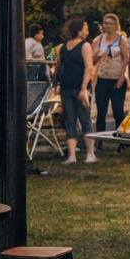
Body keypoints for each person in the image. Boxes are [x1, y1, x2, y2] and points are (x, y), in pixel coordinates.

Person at [54, 17, 96, 163]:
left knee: (76, 120)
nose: (87, 30)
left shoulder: (64, 47)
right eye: (85, 28)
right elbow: (88, 66)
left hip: (70, 87)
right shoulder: (85, 46)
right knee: (79, 120)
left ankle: (80, 155)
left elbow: (59, 66)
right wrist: (84, 88)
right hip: (76, 88)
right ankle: (82, 155)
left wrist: (56, 84)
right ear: (79, 30)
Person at [91, 12, 130, 136]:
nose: (107, 26)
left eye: (110, 23)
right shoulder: (98, 40)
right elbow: (92, 60)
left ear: (115, 25)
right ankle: (100, 139)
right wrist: (97, 54)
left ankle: (121, 138)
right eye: (105, 23)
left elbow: (125, 58)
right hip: (102, 78)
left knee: (117, 111)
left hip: (116, 78)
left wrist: (121, 78)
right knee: (101, 111)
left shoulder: (121, 40)